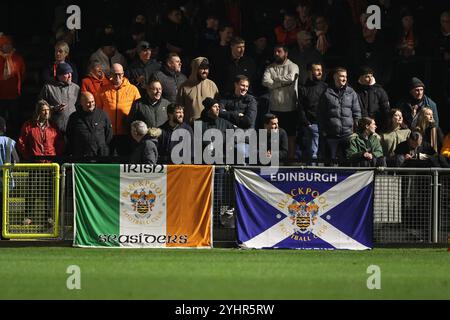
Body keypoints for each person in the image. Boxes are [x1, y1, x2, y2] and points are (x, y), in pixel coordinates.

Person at [262, 45, 299, 161]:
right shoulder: (270, 67)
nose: (276, 54)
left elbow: (291, 78)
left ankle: (290, 160)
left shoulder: (293, 66)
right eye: (275, 51)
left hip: (290, 107)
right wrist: (281, 83)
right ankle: (275, 159)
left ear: (286, 53)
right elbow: (265, 81)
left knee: (290, 135)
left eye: (279, 51)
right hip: (274, 107)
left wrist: (275, 81)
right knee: (274, 135)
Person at [318, 67, 361, 165]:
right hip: (331, 135)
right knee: (329, 163)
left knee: (347, 163)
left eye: (345, 76)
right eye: (342, 76)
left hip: (348, 135)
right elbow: (320, 114)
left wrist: (356, 130)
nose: (344, 79)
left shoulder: (351, 92)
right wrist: (323, 131)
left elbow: (357, 112)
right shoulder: (326, 93)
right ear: (335, 77)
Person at [96, 63, 141, 157]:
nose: (117, 76)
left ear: (123, 74)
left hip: (127, 133)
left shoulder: (133, 90)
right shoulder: (102, 90)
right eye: (114, 74)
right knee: (107, 160)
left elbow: (139, 111)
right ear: (110, 74)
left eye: (119, 74)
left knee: (125, 160)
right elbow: (98, 112)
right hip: (108, 133)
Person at [66, 92, 113, 161]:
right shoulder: (74, 117)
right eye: (88, 102)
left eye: (92, 101)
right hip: (81, 156)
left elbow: (109, 134)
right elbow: (70, 135)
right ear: (81, 103)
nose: (91, 104)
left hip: (100, 156)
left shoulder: (102, 115)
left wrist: (101, 146)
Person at [298, 62, 327, 162]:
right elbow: (300, 107)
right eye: (317, 70)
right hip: (311, 125)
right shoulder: (303, 88)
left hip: (324, 125)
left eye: (321, 70)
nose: (320, 72)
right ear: (310, 72)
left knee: (323, 154)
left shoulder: (325, 87)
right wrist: (307, 123)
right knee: (312, 154)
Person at [39, 62, 80, 134]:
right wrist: (54, 108)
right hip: (54, 129)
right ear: (59, 75)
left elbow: (79, 107)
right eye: (66, 73)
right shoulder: (48, 88)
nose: (70, 76)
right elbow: (40, 106)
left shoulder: (76, 88)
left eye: (71, 73)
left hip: (72, 128)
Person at [177, 57, 219, 124]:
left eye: (207, 68)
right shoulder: (184, 87)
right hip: (191, 127)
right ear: (195, 69)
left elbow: (217, 107)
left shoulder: (212, 85)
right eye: (202, 68)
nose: (205, 71)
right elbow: (179, 109)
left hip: (208, 126)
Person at [0, 34, 26, 139]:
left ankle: (15, 139)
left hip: (14, 95)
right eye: (4, 44)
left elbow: (23, 74)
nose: (7, 46)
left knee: (15, 120)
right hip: (0, 95)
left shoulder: (18, 58)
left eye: (9, 44)